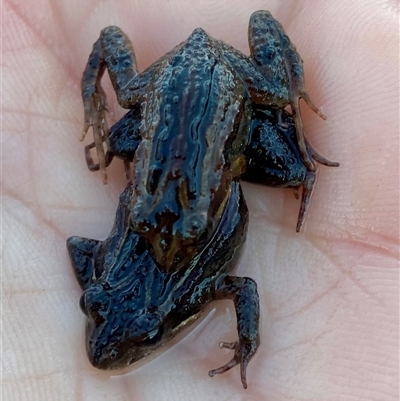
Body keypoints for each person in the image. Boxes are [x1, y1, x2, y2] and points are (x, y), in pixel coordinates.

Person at [3, 1, 398, 400]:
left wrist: (293, 107)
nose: (165, 244)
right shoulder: (147, 230)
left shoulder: (213, 186)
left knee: (279, 102)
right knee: (126, 121)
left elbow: (240, 284)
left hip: (225, 84)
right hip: (172, 86)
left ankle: (291, 94)